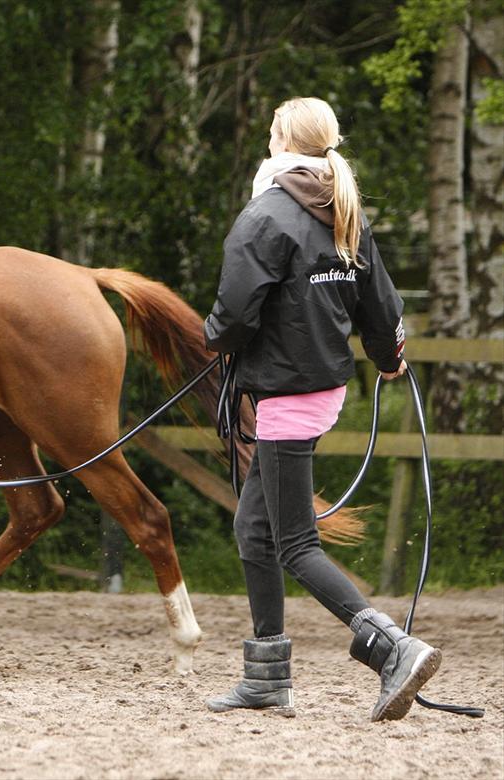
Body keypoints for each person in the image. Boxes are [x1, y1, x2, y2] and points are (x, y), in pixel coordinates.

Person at [202, 97, 441, 721]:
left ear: (280, 140)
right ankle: (266, 676)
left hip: (285, 393)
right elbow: (381, 307)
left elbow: (233, 314)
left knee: (295, 545)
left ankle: (392, 647)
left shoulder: (265, 217)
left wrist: (215, 340)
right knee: (253, 531)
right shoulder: (346, 213)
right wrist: (389, 359)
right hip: (322, 388)